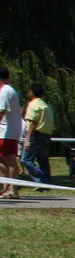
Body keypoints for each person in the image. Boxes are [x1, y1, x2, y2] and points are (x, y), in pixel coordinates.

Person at [21, 83, 54, 185]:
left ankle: (42, 180)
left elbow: (32, 123)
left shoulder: (33, 105)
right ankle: (46, 183)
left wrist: (28, 139)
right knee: (43, 160)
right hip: (46, 135)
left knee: (26, 160)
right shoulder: (46, 106)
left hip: (36, 135)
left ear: (31, 92)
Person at [0, 67, 23, 199]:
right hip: (6, 131)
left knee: (11, 161)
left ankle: (13, 190)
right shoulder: (9, 91)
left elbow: (1, 112)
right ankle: (6, 186)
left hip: (7, 132)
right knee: (4, 160)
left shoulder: (5, 92)